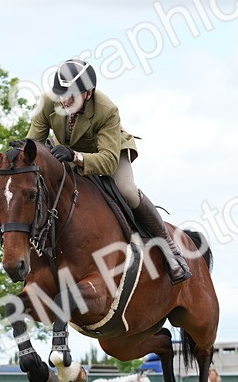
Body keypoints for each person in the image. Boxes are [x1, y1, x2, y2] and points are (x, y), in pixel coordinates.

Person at [26, 58, 190, 283]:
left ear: (88, 93)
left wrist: (75, 156)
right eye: (62, 94)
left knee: (127, 190)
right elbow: (33, 145)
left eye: (72, 96)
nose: (65, 101)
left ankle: (169, 248)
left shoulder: (107, 110)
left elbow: (108, 161)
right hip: (67, 151)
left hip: (109, 152)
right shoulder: (48, 102)